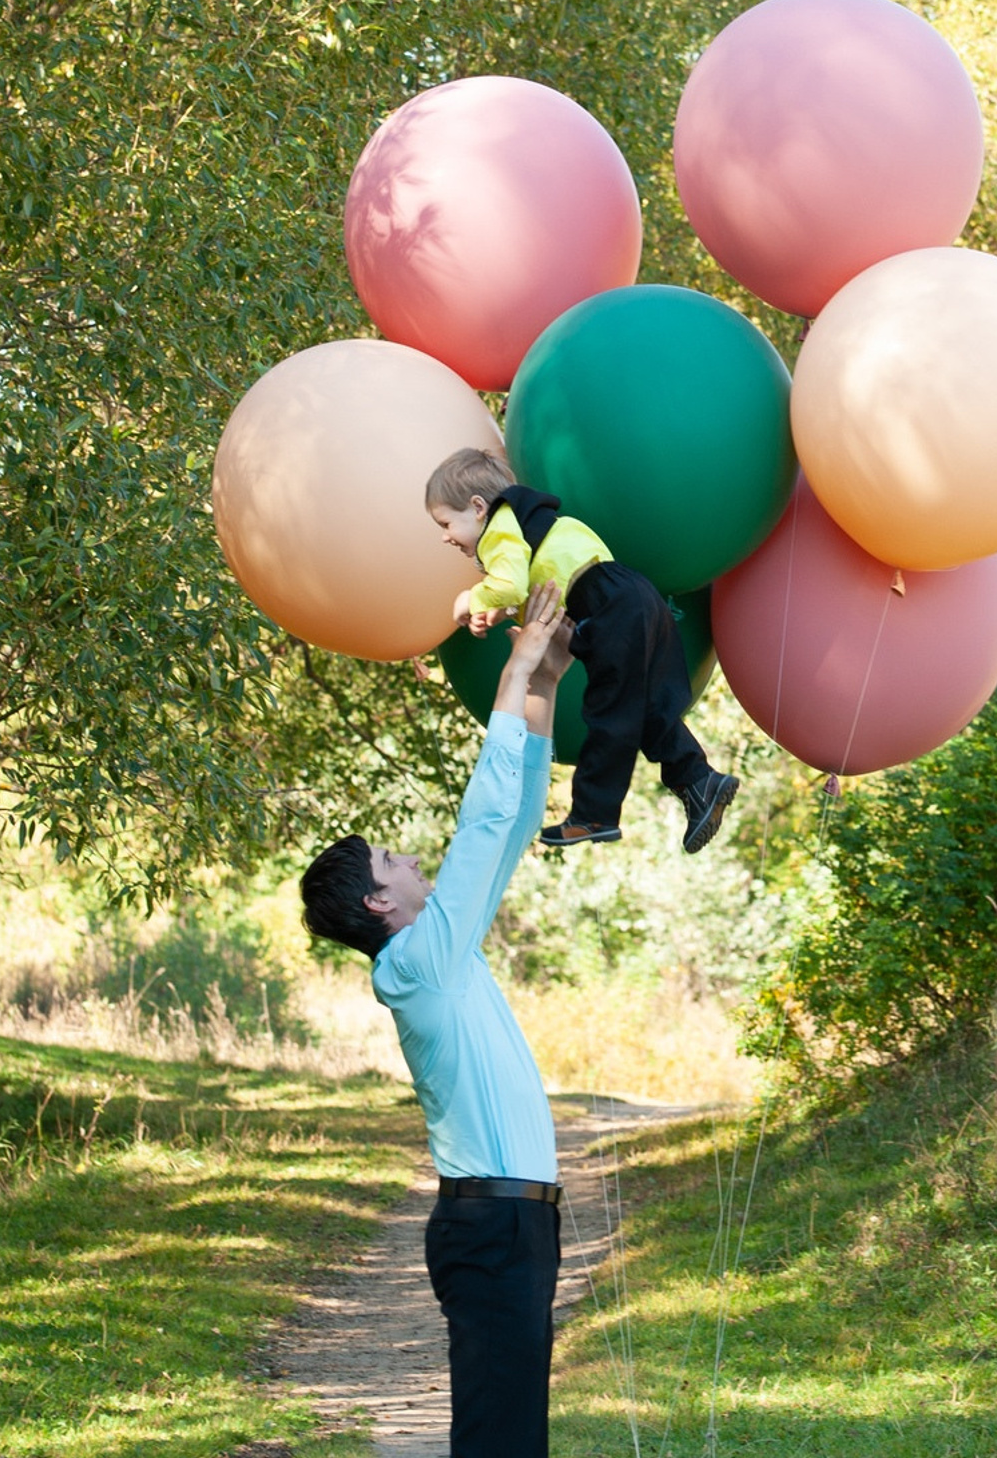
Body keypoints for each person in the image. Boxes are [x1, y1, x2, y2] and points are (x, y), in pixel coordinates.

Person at [300, 585, 573, 1458]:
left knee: (512, 1436)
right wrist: (514, 669)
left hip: (516, 1224)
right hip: (493, 1228)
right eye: (393, 858)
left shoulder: (442, 954)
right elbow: (482, 821)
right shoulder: (417, 966)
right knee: (498, 1441)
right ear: (379, 902)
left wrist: (546, 686)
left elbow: (513, 825)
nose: (413, 856)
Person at [425, 445, 738, 853]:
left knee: (609, 710)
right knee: (645, 708)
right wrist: (502, 608)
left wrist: (472, 599)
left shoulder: (500, 527)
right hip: (633, 596)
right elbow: (541, 580)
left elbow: (511, 583)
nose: (445, 537)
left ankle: (594, 814)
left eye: (446, 523)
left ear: (478, 507)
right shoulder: (530, 522)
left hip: (608, 608)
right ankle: (699, 781)